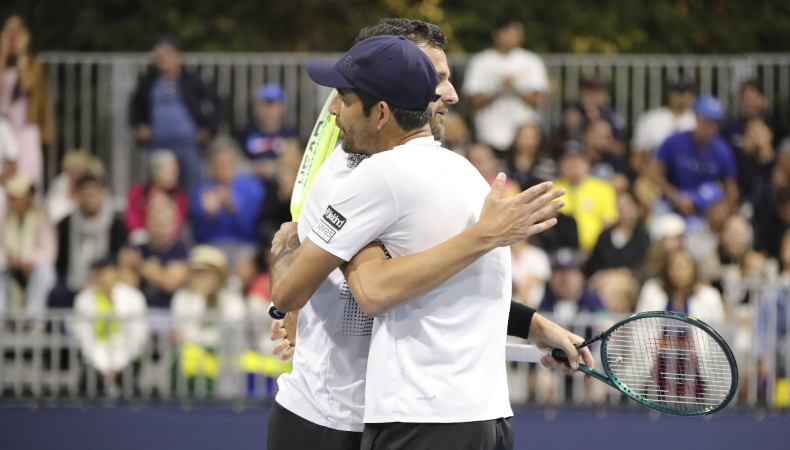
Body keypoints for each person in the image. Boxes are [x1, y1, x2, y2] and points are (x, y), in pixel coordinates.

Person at [269, 33, 589, 450]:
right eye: (436, 79)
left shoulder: (378, 175)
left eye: (345, 99)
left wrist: (288, 249)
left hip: (403, 417)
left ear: (381, 111)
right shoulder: (468, 174)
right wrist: (534, 323)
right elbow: (437, 278)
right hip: (432, 416)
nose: (449, 94)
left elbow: (371, 289)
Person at [129, 35, 222, 192]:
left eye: (166, 55)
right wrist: (139, 126)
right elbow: (135, 106)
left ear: (177, 55)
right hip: (157, 143)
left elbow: (217, 101)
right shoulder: (148, 81)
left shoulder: (191, 80)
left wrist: (210, 129)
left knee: (192, 186)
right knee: (156, 187)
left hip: (188, 143)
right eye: (158, 56)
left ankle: (190, 216)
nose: (162, 59)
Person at [463, 17, 548, 152]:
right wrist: (499, 88)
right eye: (510, 32)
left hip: (524, 139)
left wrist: (514, 88)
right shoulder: (480, 61)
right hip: (489, 135)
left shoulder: (532, 61)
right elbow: (473, 100)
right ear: (497, 34)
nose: (515, 36)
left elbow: (537, 100)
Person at [170, 245, 246, 394]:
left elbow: (235, 326)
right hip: (192, 356)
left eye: (206, 273)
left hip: (223, 356)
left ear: (218, 275)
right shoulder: (183, 297)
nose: (201, 278)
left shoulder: (232, 298)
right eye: (197, 273)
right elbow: (182, 331)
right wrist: (200, 297)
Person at [651, 95, 738, 224]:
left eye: (716, 122)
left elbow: (731, 188)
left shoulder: (722, 150)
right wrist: (675, 196)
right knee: (659, 223)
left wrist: (725, 211)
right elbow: (654, 174)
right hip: (672, 201)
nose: (712, 127)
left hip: (706, 206)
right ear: (697, 118)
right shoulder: (674, 142)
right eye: (707, 121)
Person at [52, 174, 127, 308]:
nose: (89, 198)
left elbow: (117, 259)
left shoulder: (116, 225)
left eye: (93, 193)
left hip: (105, 279)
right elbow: (60, 261)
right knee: (57, 294)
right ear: (78, 195)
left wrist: (97, 279)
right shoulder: (65, 224)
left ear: (102, 193)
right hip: (72, 280)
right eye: (85, 193)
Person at [72, 257, 147, 390]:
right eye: (97, 272)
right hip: (96, 358)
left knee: (130, 389)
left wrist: (119, 364)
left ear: (116, 273)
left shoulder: (134, 298)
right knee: (87, 387)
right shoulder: (84, 299)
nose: (101, 276)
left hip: (126, 357)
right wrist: (103, 366)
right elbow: (84, 338)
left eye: (105, 272)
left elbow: (137, 336)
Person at [0, 15, 53, 191]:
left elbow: (26, 86)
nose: (13, 36)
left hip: (24, 128)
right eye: (9, 31)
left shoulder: (34, 64)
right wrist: (3, 54)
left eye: (17, 31)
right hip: (2, 129)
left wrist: (21, 52)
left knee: (27, 177)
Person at [190, 138, 264, 263]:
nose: (224, 167)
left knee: (248, 261)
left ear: (236, 163)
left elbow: (254, 231)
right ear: (211, 166)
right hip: (211, 247)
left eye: (228, 162)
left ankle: (233, 283)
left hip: (244, 246)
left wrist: (232, 208)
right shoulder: (201, 190)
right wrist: (208, 215)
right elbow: (198, 235)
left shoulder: (252, 188)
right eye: (219, 163)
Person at [721, 81, 786, 204]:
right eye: (746, 99)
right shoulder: (729, 130)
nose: (750, 104)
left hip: (771, 193)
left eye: (754, 98)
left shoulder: (778, 129)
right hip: (738, 189)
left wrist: (765, 150)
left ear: (764, 100)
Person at [0, 174, 56, 317]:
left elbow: (49, 251)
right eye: (11, 196)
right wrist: (10, 258)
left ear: (28, 197)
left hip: (32, 268)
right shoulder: (4, 216)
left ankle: (34, 320)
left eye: (17, 196)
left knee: (45, 271)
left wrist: (25, 259)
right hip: (9, 266)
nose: (12, 200)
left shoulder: (41, 216)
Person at [585, 191, 650, 313]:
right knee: (616, 297)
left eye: (627, 205)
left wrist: (612, 275)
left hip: (633, 284)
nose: (623, 210)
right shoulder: (604, 236)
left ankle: (608, 326)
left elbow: (641, 267)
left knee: (612, 288)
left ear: (636, 208)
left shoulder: (642, 236)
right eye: (619, 206)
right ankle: (619, 328)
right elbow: (595, 265)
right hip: (605, 284)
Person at [118, 199, 189, 309]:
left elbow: (170, 283)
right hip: (139, 310)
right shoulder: (135, 248)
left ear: (174, 225)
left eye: (165, 223)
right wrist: (158, 273)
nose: (161, 228)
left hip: (169, 311)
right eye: (157, 223)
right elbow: (128, 286)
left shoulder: (180, 250)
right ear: (147, 223)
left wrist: (139, 265)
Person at [552, 141, 618, 252]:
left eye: (578, 159)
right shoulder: (552, 189)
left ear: (587, 163)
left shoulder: (603, 188)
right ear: (560, 164)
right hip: (562, 250)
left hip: (596, 251)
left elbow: (609, 222)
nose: (573, 164)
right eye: (568, 159)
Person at [636, 248, 724, 327]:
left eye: (685, 267)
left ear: (693, 269)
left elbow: (720, 331)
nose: (681, 272)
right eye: (676, 267)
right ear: (667, 270)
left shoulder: (710, 296)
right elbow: (639, 327)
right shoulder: (651, 291)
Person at [631, 78, 696, 174]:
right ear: (669, 94)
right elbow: (637, 159)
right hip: (655, 174)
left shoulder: (698, 121)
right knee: (642, 187)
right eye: (677, 92)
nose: (681, 96)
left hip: (690, 176)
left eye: (685, 92)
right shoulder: (651, 118)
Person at [124, 149, 188, 244]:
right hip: (143, 239)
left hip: (168, 240)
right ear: (155, 172)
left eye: (175, 171)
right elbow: (131, 222)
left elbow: (177, 227)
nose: (175, 175)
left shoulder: (180, 196)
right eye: (169, 172)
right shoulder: (138, 193)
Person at [237, 83, 299, 180]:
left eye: (273, 106)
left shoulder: (289, 134)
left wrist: (273, 167)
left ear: (282, 108)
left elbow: (295, 162)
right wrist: (255, 168)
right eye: (264, 106)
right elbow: (236, 161)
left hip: (279, 181)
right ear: (256, 107)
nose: (268, 111)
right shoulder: (246, 133)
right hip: (252, 179)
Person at [539, 248, 606, 326]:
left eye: (570, 272)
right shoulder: (544, 303)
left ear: (581, 276)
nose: (564, 278)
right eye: (558, 272)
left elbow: (607, 327)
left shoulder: (593, 301)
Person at [46, 150, 98, 224]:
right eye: (71, 171)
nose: (75, 176)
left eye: (79, 172)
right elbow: (50, 211)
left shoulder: (91, 190)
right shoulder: (58, 185)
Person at [577, 76, 626, 153]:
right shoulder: (573, 111)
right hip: (575, 158)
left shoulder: (613, 115)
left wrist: (596, 122)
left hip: (605, 160)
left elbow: (620, 148)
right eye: (588, 90)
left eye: (596, 91)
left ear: (606, 95)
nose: (591, 96)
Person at [582, 119, 629, 192]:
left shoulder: (614, 158)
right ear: (588, 136)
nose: (604, 141)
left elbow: (622, 182)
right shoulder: (578, 158)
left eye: (607, 137)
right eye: (600, 136)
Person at [508, 122, 556, 192]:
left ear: (538, 140)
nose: (528, 142)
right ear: (515, 138)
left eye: (532, 138)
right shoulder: (501, 166)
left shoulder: (548, 166)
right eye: (524, 137)